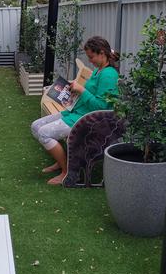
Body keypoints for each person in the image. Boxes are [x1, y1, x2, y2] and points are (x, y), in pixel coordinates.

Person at [30, 36, 119, 185]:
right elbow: (90, 93)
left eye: (91, 57)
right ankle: (60, 161)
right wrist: (74, 87)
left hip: (89, 120)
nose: (90, 61)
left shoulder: (108, 75)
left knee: (44, 133)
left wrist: (82, 90)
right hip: (77, 112)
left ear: (102, 53)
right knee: (36, 126)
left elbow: (102, 108)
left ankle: (68, 172)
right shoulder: (99, 70)